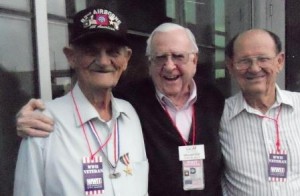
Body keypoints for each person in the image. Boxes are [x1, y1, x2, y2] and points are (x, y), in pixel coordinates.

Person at [16, 23, 225, 195]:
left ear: (194, 60)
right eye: (160, 57)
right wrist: (23, 119)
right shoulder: (133, 101)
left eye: (178, 56)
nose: (169, 66)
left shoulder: (214, 99)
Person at [14, 6, 148, 196]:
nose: (103, 61)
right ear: (71, 57)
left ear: (126, 59)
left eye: (113, 52)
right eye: (91, 51)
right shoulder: (42, 124)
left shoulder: (130, 115)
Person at [220, 29, 300, 195]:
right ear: (230, 66)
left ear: (280, 61)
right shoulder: (219, 116)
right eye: (244, 61)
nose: (255, 68)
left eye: (263, 59)